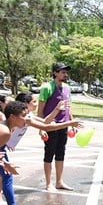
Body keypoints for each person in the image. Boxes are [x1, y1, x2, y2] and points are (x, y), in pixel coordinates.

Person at [0, 92, 82, 205]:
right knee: (3, 175)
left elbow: (45, 123)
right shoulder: (5, 115)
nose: (36, 104)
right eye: (34, 102)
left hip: (1, 146)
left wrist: (57, 110)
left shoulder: (26, 116)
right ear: (25, 104)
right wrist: (68, 123)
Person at [36, 62, 75, 191]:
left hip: (63, 125)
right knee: (49, 154)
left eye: (66, 72)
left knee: (61, 153)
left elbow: (68, 107)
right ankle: (48, 183)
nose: (65, 74)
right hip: (50, 126)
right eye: (62, 72)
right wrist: (41, 128)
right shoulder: (47, 87)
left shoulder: (67, 88)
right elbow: (40, 110)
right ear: (55, 73)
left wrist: (72, 123)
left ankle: (59, 181)